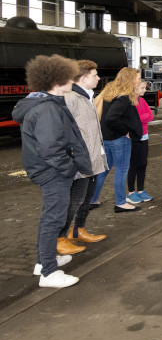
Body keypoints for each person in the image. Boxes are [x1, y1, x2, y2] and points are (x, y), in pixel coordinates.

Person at [12, 54, 92, 288]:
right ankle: (48, 271)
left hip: (50, 169)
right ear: (57, 82)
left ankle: (43, 261)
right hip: (53, 172)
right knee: (53, 217)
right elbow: (50, 148)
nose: (72, 81)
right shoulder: (47, 109)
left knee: (53, 215)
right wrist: (69, 169)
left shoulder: (46, 104)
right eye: (69, 78)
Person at [60, 60, 109, 254]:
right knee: (75, 201)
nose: (98, 78)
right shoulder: (71, 98)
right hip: (81, 160)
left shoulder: (88, 97)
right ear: (82, 78)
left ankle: (78, 229)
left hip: (94, 157)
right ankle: (60, 237)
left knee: (86, 199)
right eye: (94, 75)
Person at [94, 67, 143, 213]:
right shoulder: (124, 97)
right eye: (138, 78)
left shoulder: (111, 92)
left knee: (103, 170)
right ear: (131, 79)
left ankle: (93, 199)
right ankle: (121, 202)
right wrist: (125, 131)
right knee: (122, 170)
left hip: (107, 137)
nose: (140, 81)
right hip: (119, 139)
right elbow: (111, 118)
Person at [127, 80, 154, 202]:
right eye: (142, 88)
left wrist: (140, 118)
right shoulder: (130, 102)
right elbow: (134, 119)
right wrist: (142, 118)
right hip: (134, 137)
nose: (144, 90)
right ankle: (131, 191)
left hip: (144, 136)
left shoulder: (142, 100)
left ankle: (141, 190)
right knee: (133, 164)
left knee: (143, 163)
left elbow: (151, 115)